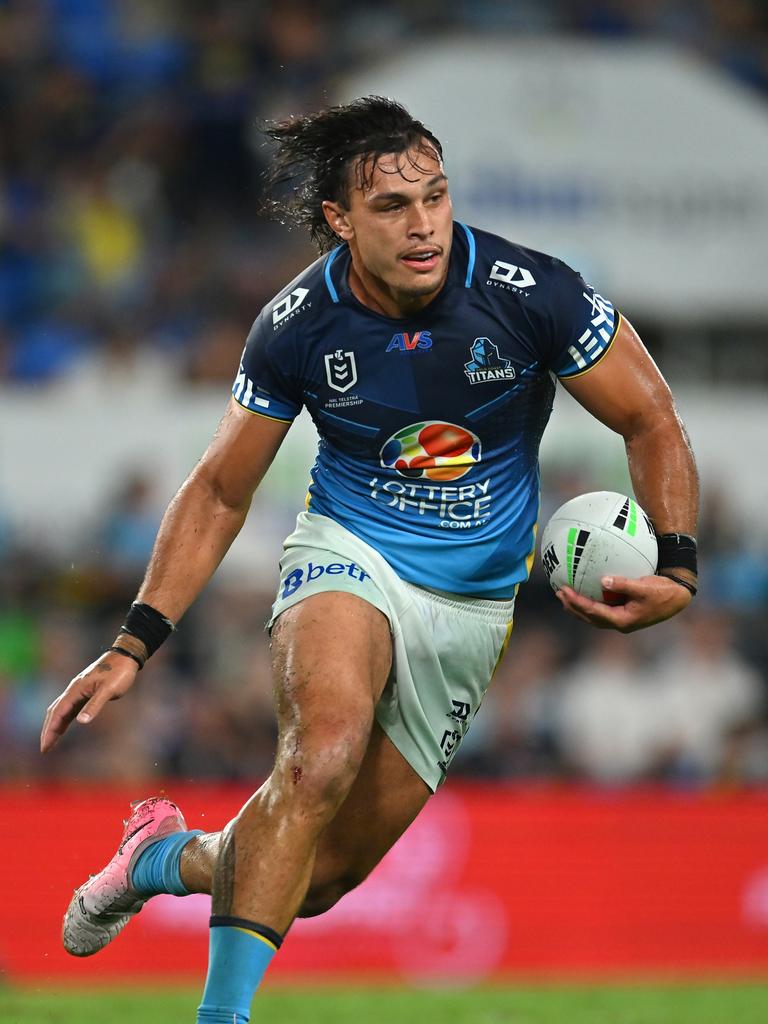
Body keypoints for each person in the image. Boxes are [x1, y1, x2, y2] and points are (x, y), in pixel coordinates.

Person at [40, 96, 699, 1022]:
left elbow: (650, 415)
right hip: (348, 552)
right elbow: (223, 489)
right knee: (322, 755)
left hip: (471, 607)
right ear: (340, 221)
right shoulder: (297, 324)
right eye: (392, 207)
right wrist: (133, 642)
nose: (424, 223)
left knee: (314, 881)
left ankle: (157, 859)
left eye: (435, 196)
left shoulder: (533, 291)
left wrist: (679, 565)